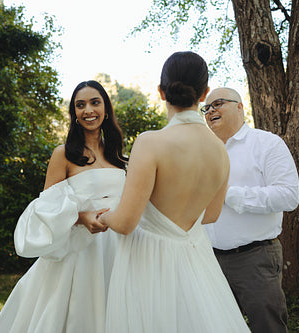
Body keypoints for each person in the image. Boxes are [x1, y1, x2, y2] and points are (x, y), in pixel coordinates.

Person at [98, 51, 250, 332]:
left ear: (161, 91)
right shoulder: (220, 150)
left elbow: (126, 223)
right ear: (204, 93)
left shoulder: (150, 142)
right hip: (195, 260)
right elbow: (212, 215)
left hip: (147, 262)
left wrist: (105, 217)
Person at [0, 80, 128, 333]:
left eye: (95, 102)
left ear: (106, 109)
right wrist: (82, 216)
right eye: (80, 105)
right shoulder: (63, 154)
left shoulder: (119, 156)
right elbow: (47, 209)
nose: (88, 110)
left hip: (117, 248)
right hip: (80, 251)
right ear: (74, 114)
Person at [201, 87, 299, 333]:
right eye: (206, 107)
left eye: (218, 103)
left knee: (267, 327)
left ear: (239, 106)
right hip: (208, 260)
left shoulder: (267, 143)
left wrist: (227, 193)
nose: (211, 110)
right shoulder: (203, 152)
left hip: (255, 259)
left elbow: (288, 196)